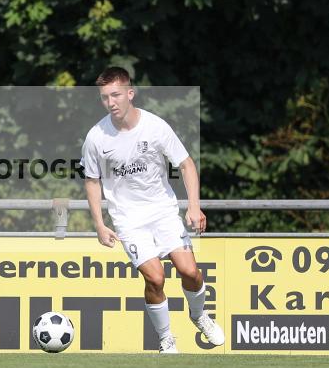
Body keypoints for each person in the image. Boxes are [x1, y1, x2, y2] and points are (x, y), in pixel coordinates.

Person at [82, 67, 224, 353]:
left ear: (130, 94)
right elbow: (91, 180)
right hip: (128, 220)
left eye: (116, 95)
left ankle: (199, 316)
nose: (111, 102)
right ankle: (166, 338)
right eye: (104, 97)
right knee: (155, 277)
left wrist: (194, 207)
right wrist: (99, 223)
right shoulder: (96, 137)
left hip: (163, 212)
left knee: (190, 272)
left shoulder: (155, 126)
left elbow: (186, 165)